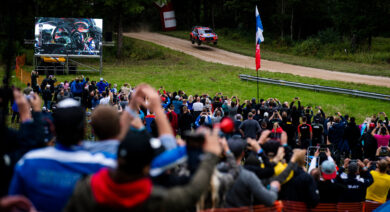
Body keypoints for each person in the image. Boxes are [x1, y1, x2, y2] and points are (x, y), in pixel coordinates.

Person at [64, 84, 223, 212]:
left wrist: (132, 106)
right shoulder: (154, 197)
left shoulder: (87, 181)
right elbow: (191, 192)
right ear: (147, 165)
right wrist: (212, 154)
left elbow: (114, 138)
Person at [8, 98, 116, 212]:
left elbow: (14, 204)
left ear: (53, 129)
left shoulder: (28, 162)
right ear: (85, 129)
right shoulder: (107, 165)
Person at [224, 138, 280, 208]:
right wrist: (274, 188)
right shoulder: (248, 176)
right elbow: (270, 199)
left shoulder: (216, 170)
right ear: (242, 153)